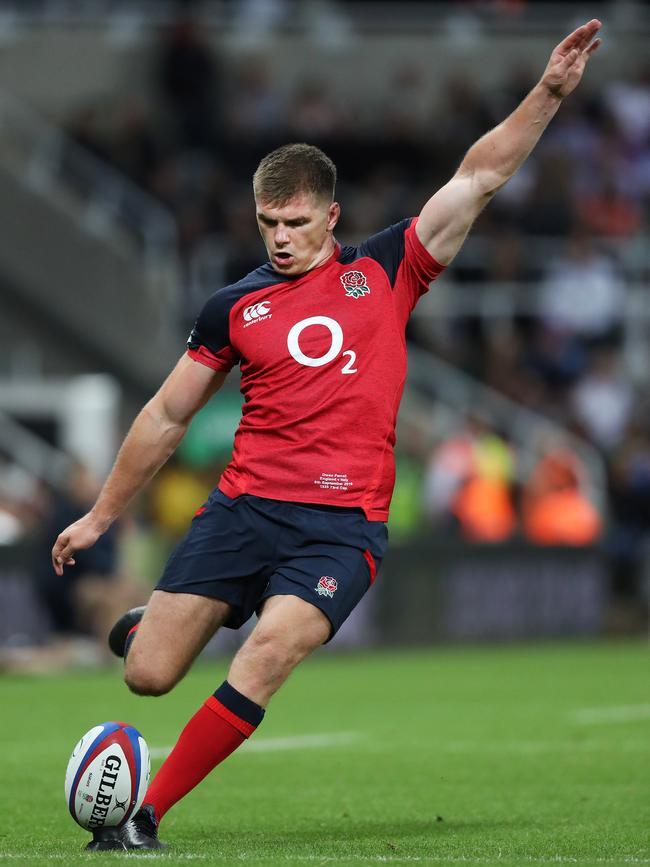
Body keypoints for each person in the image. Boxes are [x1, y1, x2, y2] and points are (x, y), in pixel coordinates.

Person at [51, 19, 602, 852]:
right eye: (268, 221)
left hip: (341, 530)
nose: (279, 236)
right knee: (148, 675)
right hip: (242, 510)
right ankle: (149, 624)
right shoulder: (233, 307)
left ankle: (143, 815)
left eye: (296, 222)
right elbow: (167, 415)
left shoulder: (388, 269)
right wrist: (100, 515)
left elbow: (480, 175)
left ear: (331, 215)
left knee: (269, 653)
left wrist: (549, 93)